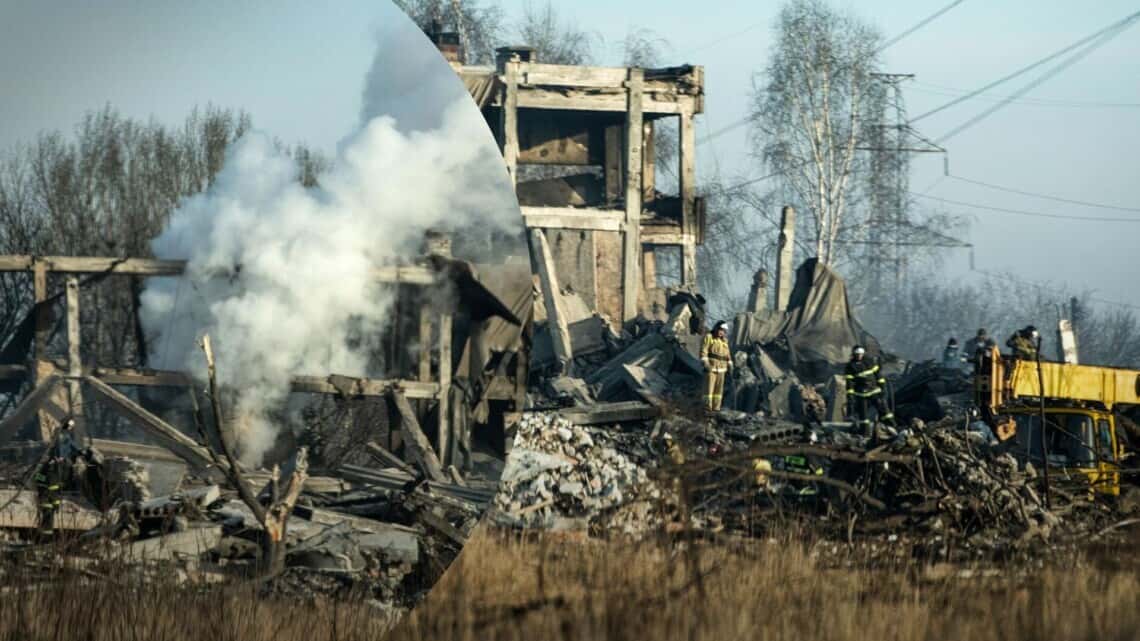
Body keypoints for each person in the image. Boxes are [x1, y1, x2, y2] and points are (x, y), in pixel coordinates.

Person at [844, 345, 895, 436]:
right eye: (857, 354)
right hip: (861, 394)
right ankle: (865, 434)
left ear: (863, 354)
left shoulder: (869, 362)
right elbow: (850, 382)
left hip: (874, 392)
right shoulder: (850, 366)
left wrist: (882, 388)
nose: (859, 356)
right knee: (863, 416)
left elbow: (878, 375)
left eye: (861, 354)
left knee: (885, 411)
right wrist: (850, 395)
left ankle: (892, 428)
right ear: (854, 354)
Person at [700, 320, 733, 411]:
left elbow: (727, 354)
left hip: (722, 369)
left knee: (718, 391)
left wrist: (730, 364)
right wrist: (706, 364)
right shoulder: (709, 337)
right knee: (708, 390)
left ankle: (716, 408)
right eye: (720, 330)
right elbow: (704, 351)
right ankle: (707, 408)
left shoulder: (724, 341)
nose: (721, 332)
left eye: (723, 331)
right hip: (711, 368)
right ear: (716, 328)